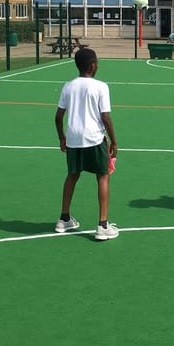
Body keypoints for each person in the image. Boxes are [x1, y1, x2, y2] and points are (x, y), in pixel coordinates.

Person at [54, 48, 120, 241]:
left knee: (72, 175)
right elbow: (105, 117)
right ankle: (102, 225)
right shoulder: (101, 86)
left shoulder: (68, 86)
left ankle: (63, 218)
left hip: (74, 138)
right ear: (93, 65)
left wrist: (62, 138)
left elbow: (58, 117)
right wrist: (114, 141)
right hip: (94, 138)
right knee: (103, 176)